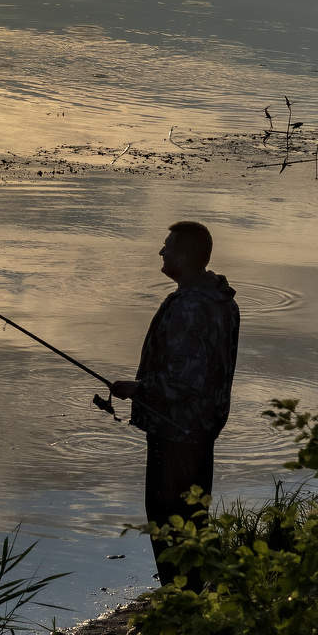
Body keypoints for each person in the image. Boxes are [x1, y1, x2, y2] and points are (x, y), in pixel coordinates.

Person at [110, 221, 239, 586]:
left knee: (169, 518)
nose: (161, 252)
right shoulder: (217, 298)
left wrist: (139, 388)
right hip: (199, 428)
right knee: (192, 517)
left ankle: (181, 605)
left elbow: (187, 380)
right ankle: (194, 598)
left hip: (178, 430)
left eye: (167, 247)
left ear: (184, 256)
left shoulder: (193, 307)